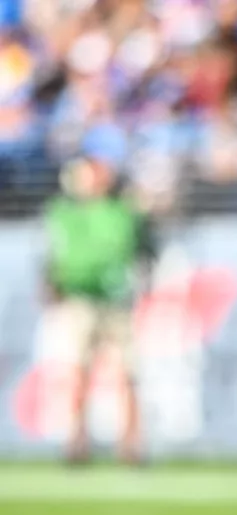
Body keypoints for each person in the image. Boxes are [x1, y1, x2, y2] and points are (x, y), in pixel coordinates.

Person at [43, 153, 153, 465]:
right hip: (80, 300)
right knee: (78, 372)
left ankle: (131, 444)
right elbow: (55, 254)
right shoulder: (65, 213)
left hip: (117, 301)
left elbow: (138, 249)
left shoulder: (122, 211)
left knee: (128, 374)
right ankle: (77, 442)